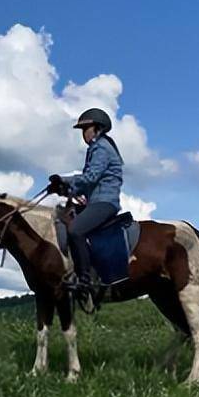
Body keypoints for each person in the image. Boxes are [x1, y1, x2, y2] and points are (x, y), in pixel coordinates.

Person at [47, 108, 124, 300]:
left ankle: (85, 279)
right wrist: (65, 190)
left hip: (104, 202)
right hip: (95, 199)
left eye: (86, 128)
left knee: (75, 230)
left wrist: (65, 180)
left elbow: (90, 177)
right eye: (82, 130)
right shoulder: (96, 148)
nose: (84, 133)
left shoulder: (101, 148)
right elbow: (88, 184)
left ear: (97, 128)